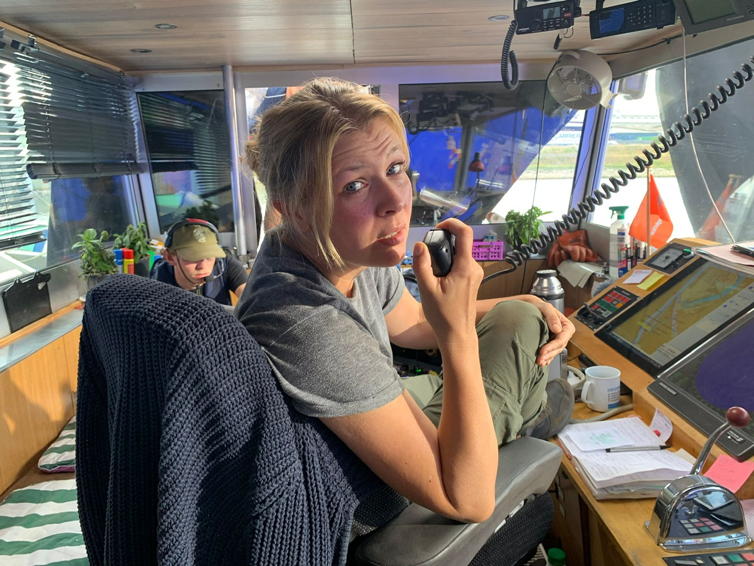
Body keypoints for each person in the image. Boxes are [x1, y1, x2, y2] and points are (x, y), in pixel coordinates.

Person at [237, 77, 575, 526]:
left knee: (519, 314)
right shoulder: (305, 321)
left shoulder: (342, 249)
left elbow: (413, 322)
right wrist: (458, 334)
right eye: (354, 185)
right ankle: (532, 410)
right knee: (525, 367)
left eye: (395, 168)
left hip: (373, 414)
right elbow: (467, 500)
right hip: (382, 496)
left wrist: (525, 299)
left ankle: (528, 399)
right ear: (295, 206)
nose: (396, 201)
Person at [151, 218, 247, 305]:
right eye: (193, 258)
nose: (203, 266)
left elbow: (249, 296)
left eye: (210, 256)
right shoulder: (157, 284)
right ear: (170, 258)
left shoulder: (226, 264)